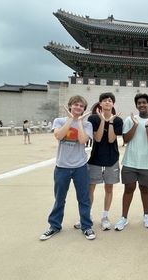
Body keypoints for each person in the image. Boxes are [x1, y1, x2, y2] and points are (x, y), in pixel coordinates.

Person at [39, 95, 96, 241]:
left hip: (80, 166)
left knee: (83, 198)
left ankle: (86, 226)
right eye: (76, 105)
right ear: (70, 106)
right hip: (62, 166)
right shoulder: (59, 121)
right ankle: (54, 226)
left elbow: (83, 140)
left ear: (84, 109)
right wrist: (71, 120)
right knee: (59, 198)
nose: (78, 107)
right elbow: (58, 136)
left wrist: (80, 122)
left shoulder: (87, 124)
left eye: (81, 106)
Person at [73, 92, 123, 231]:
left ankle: (105, 216)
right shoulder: (93, 119)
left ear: (113, 104)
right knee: (91, 187)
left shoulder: (118, 120)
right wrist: (102, 120)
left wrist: (111, 121)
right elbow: (99, 138)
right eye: (105, 100)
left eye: (110, 100)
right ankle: (86, 216)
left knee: (109, 188)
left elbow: (112, 139)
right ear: (100, 103)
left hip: (111, 158)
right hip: (95, 158)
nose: (107, 102)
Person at [114, 93, 148, 231]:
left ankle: (146, 215)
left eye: (144, 103)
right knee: (128, 189)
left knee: (144, 189)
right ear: (136, 105)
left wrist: (147, 126)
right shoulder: (130, 119)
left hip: (147, 163)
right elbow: (126, 140)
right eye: (139, 103)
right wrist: (135, 125)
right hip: (130, 162)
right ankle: (124, 217)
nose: (142, 105)